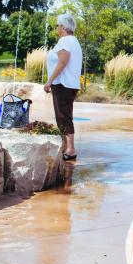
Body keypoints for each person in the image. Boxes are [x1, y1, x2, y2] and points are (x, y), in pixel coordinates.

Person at [44, 13, 84, 161]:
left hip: (62, 84)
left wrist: (49, 81)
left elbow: (62, 62)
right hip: (69, 84)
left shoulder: (65, 41)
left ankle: (70, 149)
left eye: (58, 25)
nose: (57, 28)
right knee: (65, 115)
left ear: (63, 27)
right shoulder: (73, 41)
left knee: (63, 117)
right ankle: (67, 147)